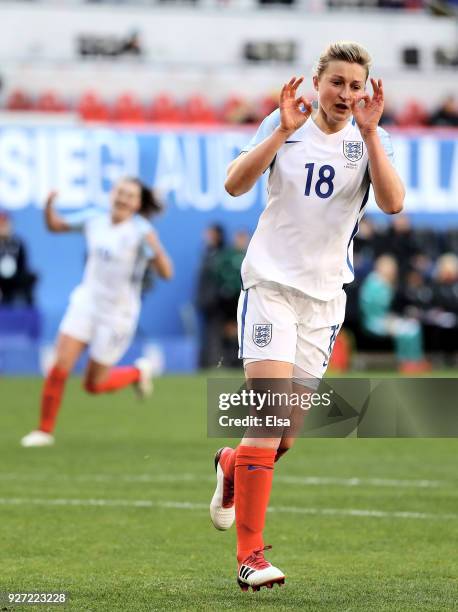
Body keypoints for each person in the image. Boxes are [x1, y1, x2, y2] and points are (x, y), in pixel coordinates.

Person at [209, 41, 405, 591]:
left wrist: (369, 134)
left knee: (281, 438)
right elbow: (234, 183)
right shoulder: (284, 122)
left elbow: (392, 203)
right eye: (337, 82)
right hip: (270, 286)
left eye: (355, 85)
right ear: (317, 82)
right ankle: (251, 558)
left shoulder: (372, 137)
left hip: (324, 300)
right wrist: (278, 132)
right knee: (269, 421)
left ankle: (230, 465)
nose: (346, 94)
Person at [21, 178, 173, 448]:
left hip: (117, 315)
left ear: (137, 203)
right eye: (120, 193)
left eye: (130, 196)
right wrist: (48, 207)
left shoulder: (140, 231)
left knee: (93, 385)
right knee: (60, 366)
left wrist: (156, 248)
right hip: (86, 302)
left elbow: (166, 273)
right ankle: (43, 431)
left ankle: (137, 373)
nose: (124, 199)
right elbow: (55, 226)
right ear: (112, 194)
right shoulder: (94, 219)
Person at [359, 255, 429, 372]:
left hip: (385, 318)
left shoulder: (385, 283)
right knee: (404, 330)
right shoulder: (374, 282)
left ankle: (415, 360)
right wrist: (386, 319)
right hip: (374, 322)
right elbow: (370, 308)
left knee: (413, 326)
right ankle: (405, 362)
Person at [0, 209, 37, 305]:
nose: (3, 227)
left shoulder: (18, 243)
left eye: (5, 224)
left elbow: (23, 265)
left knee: (31, 277)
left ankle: (29, 311)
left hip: (15, 278)